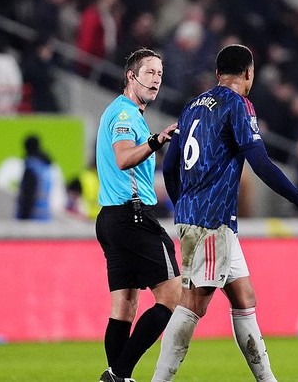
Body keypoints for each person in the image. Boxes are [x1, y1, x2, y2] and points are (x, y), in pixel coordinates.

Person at [152, 44, 298, 382]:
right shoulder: (238, 105)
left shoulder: (192, 105)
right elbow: (260, 163)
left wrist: (184, 205)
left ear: (216, 74)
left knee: (244, 297)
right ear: (249, 74)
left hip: (205, 219)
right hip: (210, 221)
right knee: (193, 302)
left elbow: (169, 165)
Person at [95, 48, 181, 382]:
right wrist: (156, 141)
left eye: (160, 74)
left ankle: (119, 377)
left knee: (125, 307)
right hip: (132, 218)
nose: (156, 79)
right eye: (149, 73)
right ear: (131, 76)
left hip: (111, 219)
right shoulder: (127, 115)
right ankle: (118, 373)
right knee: (174, 298)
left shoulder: (122, 113)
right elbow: (122, 158)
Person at [16, 134, 53, 220]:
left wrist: (23, 219)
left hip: (32, 219)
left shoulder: (31, 168)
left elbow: (28, 195)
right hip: (45, 218)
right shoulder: (46, 167)